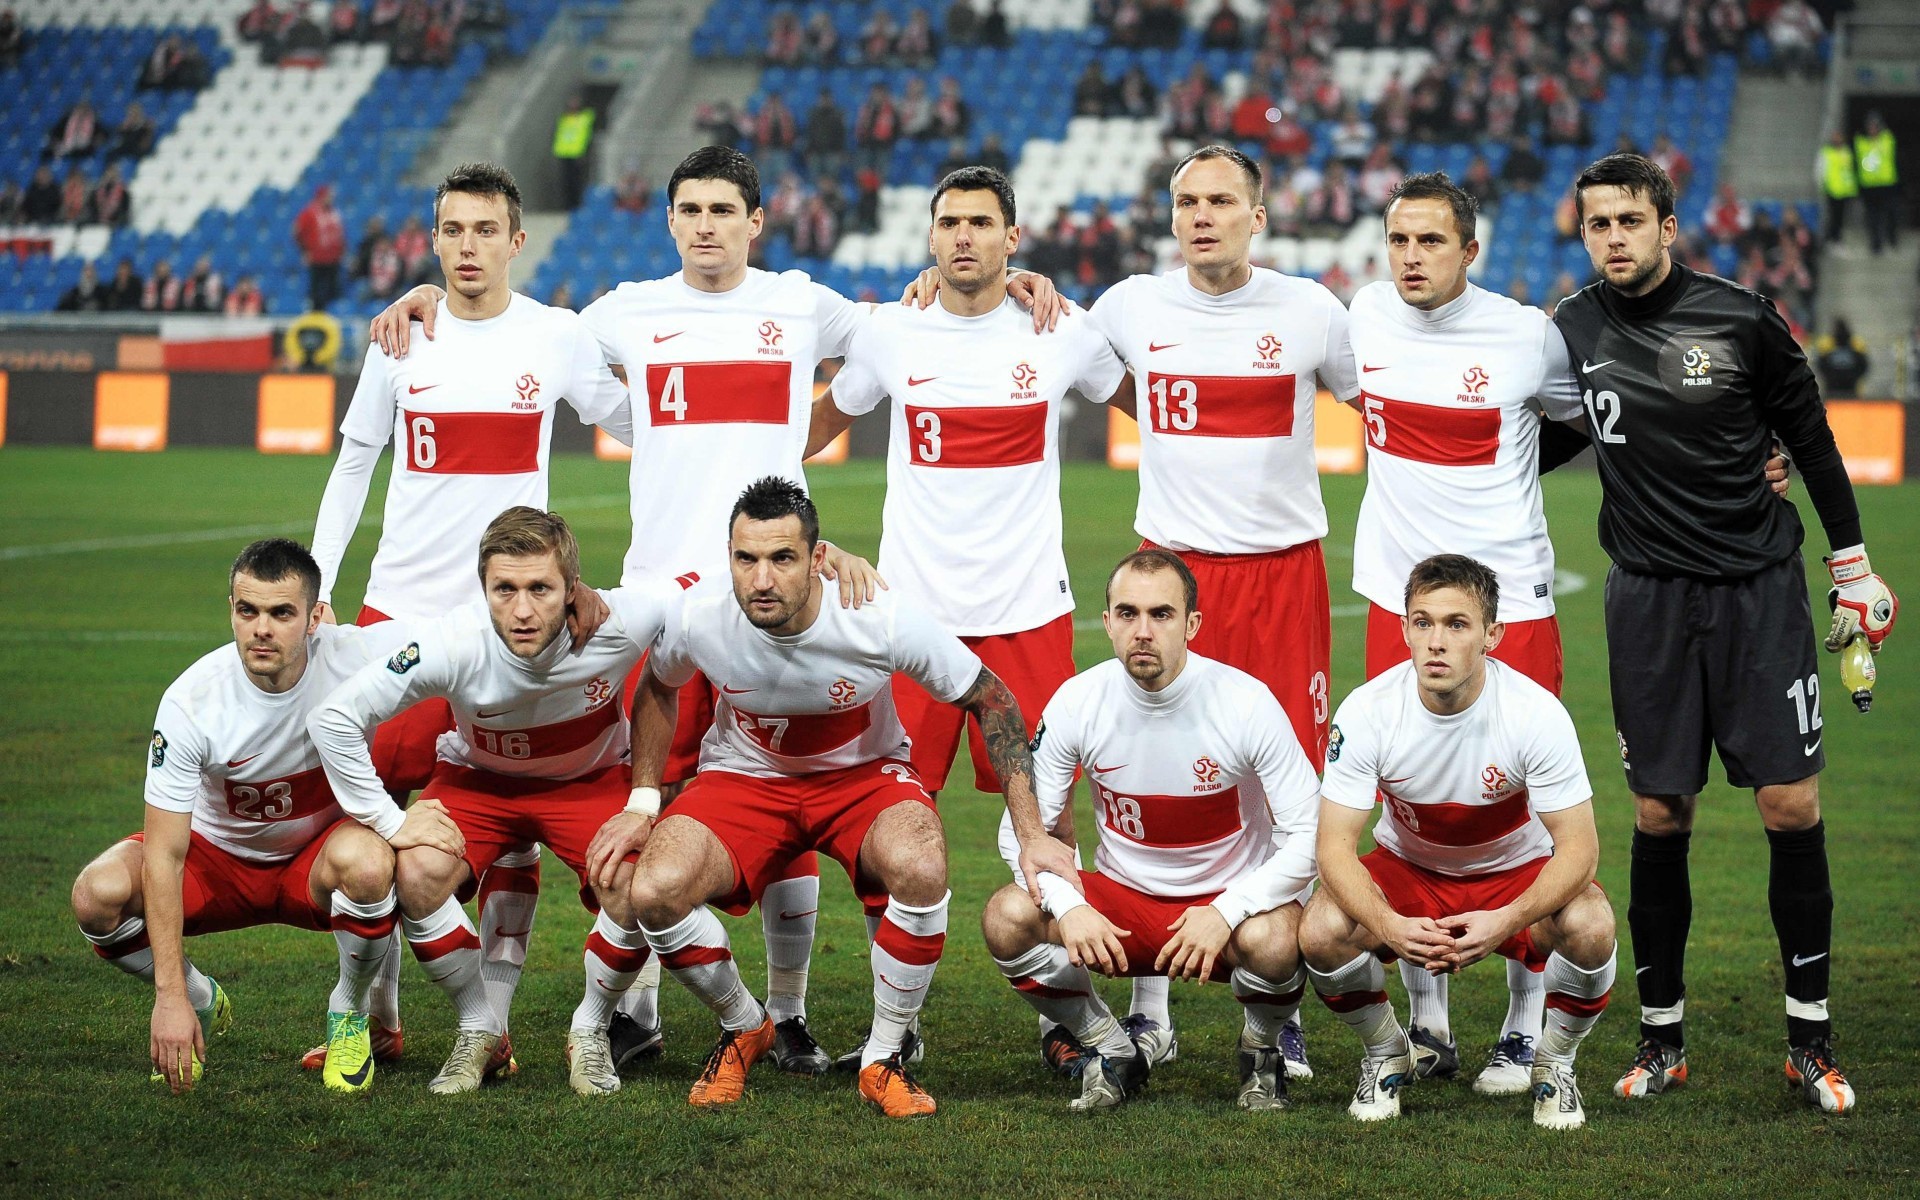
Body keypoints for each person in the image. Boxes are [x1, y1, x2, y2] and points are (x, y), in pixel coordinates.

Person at [367, 146, 1015, 1080]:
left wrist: (998, 272)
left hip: (768, 588)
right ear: (668, 222)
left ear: (756, 222)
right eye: (689, 209)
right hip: (662, 600)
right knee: (655, 808)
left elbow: (925, 317)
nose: (706, 224)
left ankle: (785, 1015)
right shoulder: (625, 312)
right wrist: (428, 303)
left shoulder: (803, 302)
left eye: (723, 209)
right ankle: (635, 1011)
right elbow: (513, 327)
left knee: (775, 787)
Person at [1554, 153, 1899, 1114]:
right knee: (1661, 815)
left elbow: (1814, 437)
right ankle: (1661, 1040)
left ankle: (1811, 1042)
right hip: (1648, 603)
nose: (1613, 237)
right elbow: (1534, 442)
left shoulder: (1741, 317)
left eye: (1630, 220)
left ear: (1668, 227)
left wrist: (1852, 563)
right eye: (1596, 224)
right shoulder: (1571, 329)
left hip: (1757, 596)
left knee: (1790, 806)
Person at [306, 162, 632, 1076]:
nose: (468, 247)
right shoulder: (400, 339)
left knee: (506, 805)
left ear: (516, 241)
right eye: (452, 230)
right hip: (398, 608)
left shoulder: (556, 337)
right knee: (379, 833)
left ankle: (556, 1011)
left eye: (486, 230)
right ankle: (369, 1014)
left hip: (511, 617)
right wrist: (324, 579)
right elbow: (354, 464)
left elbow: (644, 428)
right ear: (434, 238)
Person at [615, 478, 1076, 1117]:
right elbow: (657, 688)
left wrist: (1031, 835)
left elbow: (990, 697)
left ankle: (884, 1057)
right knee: (652, 892)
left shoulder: (877, 615)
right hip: (746, 780)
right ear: (729, 559)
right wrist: (643, 800)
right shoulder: (700, 615)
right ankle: (745, 1023)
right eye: (746, 560)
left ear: (818, 558)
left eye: (783, 559)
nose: (762, 579)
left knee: (919, 865)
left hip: (863, 778)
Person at [309, 508, 679, 1097]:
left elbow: (716, 602)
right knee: (417, 873)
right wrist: (388, 820)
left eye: (541, 588)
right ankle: (481, 1027)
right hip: (477, 780)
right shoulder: (453, 641)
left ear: (572, 588)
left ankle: (589, 1028)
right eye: (504, 589)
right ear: (482, 588)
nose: (523, 610)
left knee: (639, 885)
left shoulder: (626, 617)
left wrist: (642, 798)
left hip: (584, 781)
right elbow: (333, 718)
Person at [68, 539, 460, 1095]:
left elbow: (462, 635)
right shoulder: (191, 702)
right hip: (216, 865)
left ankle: (348, 1016)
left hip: (313, 862)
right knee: (95, 896)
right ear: (230, 608)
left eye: (282, 613)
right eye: (246, 610)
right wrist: (171, 996)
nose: (261, 629)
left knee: (371, 864)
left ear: (315, 617)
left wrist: (571, 602)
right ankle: (204, 999)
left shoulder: (356, 655)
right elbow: (164, 851)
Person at [982, 550, 1320, 1112]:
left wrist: (1228, 911)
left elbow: (1309, 834)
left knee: (1281, 938)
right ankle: (1109, 1049)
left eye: (1162, 614)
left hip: (1226, 914)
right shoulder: (1078, 701)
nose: (1143, 631)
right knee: (1005, 916)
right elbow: (1020, 831)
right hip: (1124, 908)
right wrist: (1067, 904)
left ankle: (1260, 1054)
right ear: (1108, 620)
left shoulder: (1245, 702)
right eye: (1128, 613)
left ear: (1192, 625)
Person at [1302, 554, 1618, 1129]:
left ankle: (1555, 1063)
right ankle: (1385, 1052)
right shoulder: (1368, 710)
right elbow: (1332, 849)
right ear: (1404, 630)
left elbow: (1580, 850)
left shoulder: (1535, 714)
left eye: (1457, 624)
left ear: (1492, 635)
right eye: (1422, 622)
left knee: (1592, 925)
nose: (1436, 642)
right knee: (1321, 930)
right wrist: (1390, 925)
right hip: (1411, 871)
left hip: (1512, 873)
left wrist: (1506, 919)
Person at [293, 184, 346, 312]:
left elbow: (340, 234)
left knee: (333, 290)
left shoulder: (335, 212)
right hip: (317, 258)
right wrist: (305, 251)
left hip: (334, 259)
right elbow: (297, 231)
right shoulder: (309, 213)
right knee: (316, 291)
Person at [1854, 111, 1900, 256]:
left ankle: (1892, 239)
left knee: (1890, 214)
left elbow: (1888, 140)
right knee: (1873, 217)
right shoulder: (1861, 143)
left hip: (1886, 184)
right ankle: (1876, 244)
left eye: (1875, 126)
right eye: (1870, 126)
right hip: (1869, 187)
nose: (1872, 129)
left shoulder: (1887, 139)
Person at [553, 95, 595, 211]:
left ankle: (577, 206)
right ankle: (567, 206)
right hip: (564, 153)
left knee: (577, 183)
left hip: (577, 154)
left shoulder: (584, 118)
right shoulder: (564, 119)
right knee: (565, 183)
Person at [1813, 318, 1871, 398]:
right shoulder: (1826, 344)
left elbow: (1864, 365)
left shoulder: (1856, 343)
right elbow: (1820, 365)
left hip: (1847, 387)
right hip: (1835, 387)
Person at [1815, 129, 1855, 244]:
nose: (1837, 139)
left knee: (1840, 217)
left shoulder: (1846, 152)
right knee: (1832, 216)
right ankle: (1831, 238)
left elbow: (1848, 171)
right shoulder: (1826, 152)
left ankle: (1837, 237)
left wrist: (1850, 188)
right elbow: (1820, 170)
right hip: (1831, 189)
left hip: (1844, 190)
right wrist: (1821, 185)